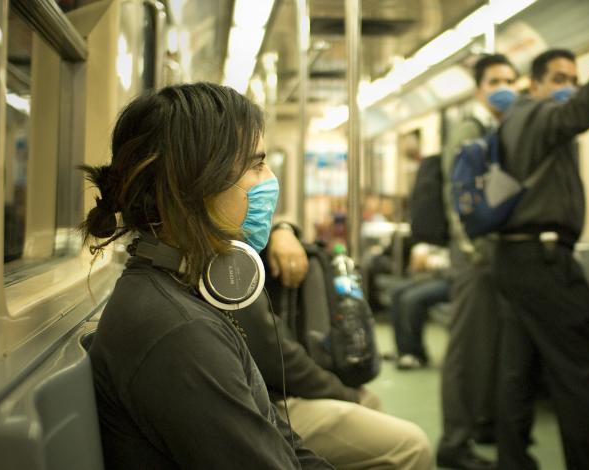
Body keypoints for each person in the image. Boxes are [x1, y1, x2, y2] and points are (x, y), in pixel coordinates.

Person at [83, 83, 332, 469]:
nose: (269, 179)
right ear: (196, 183)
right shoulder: (177, 332)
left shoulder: (182, 288)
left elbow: (280, 440)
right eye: (255, 164)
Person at [491, 4, 589, 470]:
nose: (568, 89)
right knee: (575, 373)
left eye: (573, 79)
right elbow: (583, 111)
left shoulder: (511, 121)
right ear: (533, 84)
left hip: (513, 261)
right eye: (559, 79)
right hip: (545, 263)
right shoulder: (536, 115)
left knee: (517, 371)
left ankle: (513, 462)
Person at [242, 223, 435, 470]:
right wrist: (345, 394)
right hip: (263, 403)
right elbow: (279, 356)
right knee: (412, 446)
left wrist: (283, 228)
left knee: (370, 403)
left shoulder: (239, 246)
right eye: (254, 180)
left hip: (268, 391)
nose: (266, 185)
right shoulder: (228, 265)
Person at [437, 53, 518, 470]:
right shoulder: (469, 130)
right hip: (473, 254)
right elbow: (458, 198)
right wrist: (468, 247)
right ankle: (454, 442)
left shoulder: (497, 130)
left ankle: (479, 426)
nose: (504, 87)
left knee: (488, 345)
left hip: (489, 252)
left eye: (510, 79)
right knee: (467, 349)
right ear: (479, 89)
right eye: (495, 81)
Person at [389, 242, 451, 369]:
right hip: (438, 275)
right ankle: (403, 351)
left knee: (411, 299)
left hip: (454, 279)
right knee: (397, 293)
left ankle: (416, 354)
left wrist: (434, 262)